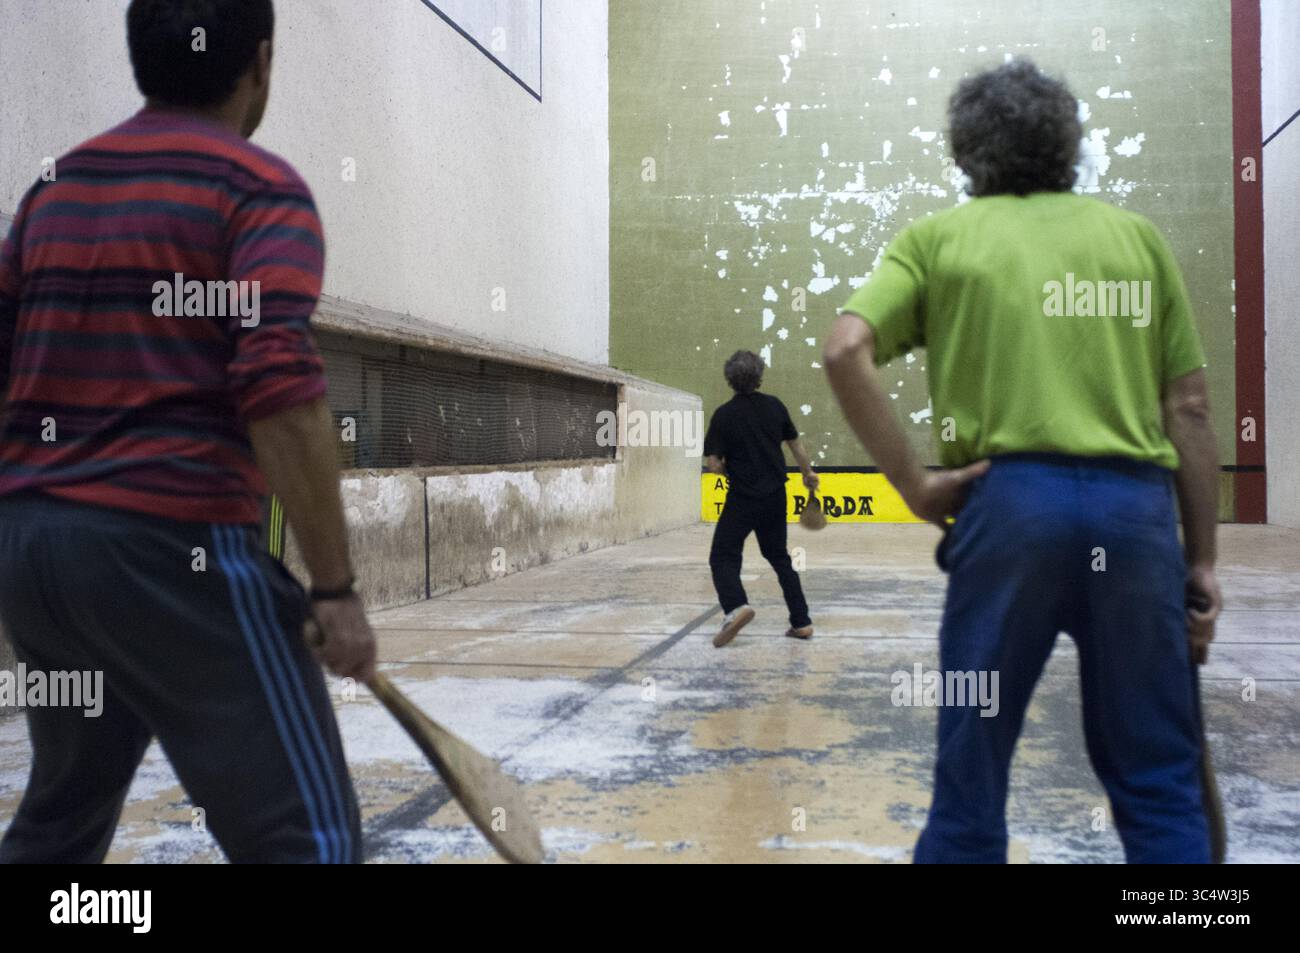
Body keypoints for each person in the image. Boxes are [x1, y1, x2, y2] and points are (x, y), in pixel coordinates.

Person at [0, 0, 375, 863]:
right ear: (262, 64)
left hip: (34, 558)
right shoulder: (254, 187)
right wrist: (334, 589)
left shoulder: (54, 189)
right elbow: (279, 385)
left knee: (59, 824)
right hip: (172, 554)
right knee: (308, 840)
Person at [824, 59, 1222, 863]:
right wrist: (1204, 561)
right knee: (1159, 780)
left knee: (969, 782)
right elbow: (1190, 409)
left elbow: (844, 349)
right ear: (1068, 142)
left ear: (967, 150)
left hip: (1005, 514)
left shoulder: (938, 241)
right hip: (1134, 519)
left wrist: (912, 483)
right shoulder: (1136, 239)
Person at [704, 350, 819, 647]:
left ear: (729, 379)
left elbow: (713, 464)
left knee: (723, 556)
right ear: (759, 375)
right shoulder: (775, 407)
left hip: (742, 498)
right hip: (774, 496)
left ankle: (736, 607)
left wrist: (729, 470)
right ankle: (802, 622)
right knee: (779, 556)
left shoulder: (723, 415)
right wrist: (808, 473)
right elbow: (795, 444)